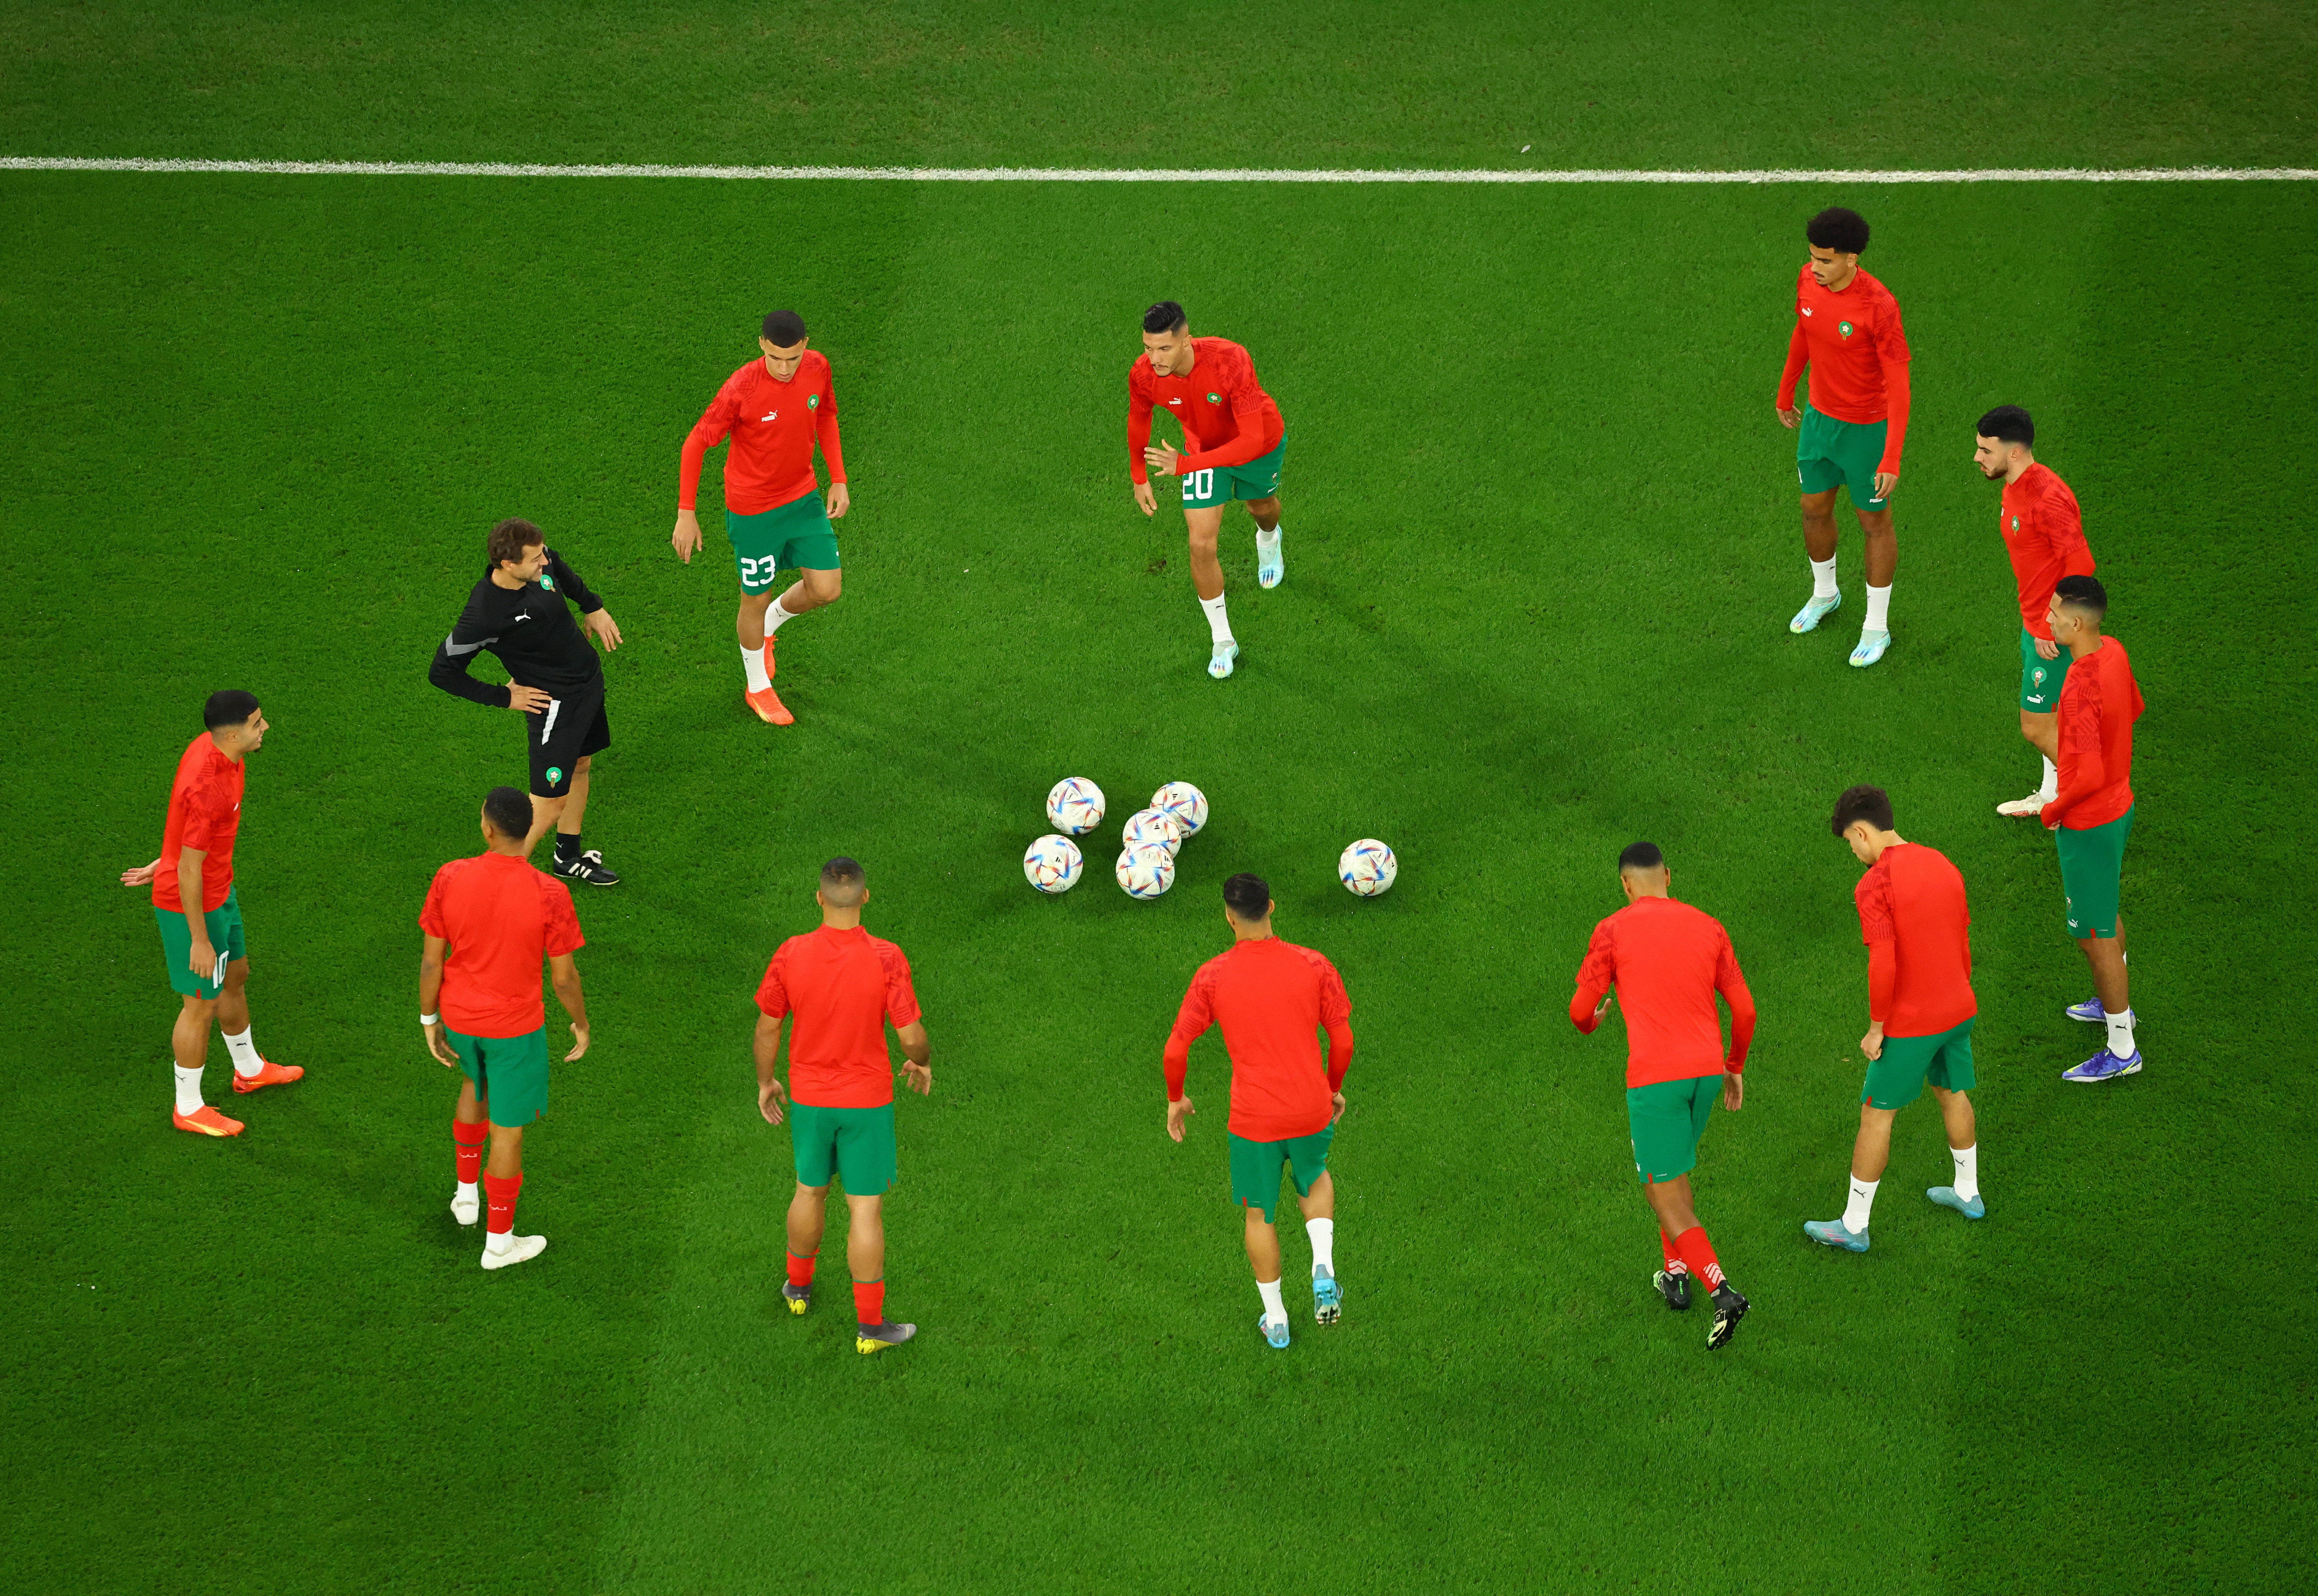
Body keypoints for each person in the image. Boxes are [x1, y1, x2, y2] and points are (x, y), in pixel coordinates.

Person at [1569, 842, 1755, 1350]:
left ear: (1626, 885)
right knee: (1673, 1176)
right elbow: (1745, 1011)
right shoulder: (1709, 926)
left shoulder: (1612, 929)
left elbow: (1580, 1010)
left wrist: (1593, 1022)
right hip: (1706, 1075)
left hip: (1656, 1082)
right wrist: (1733, 1068)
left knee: (1664, 1194)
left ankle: (1721, 1291)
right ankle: (1675, 1274)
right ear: (1668, 876)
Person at [1163, 873, 1352, 1350]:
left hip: (1254, 1121)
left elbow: (1176, 1048)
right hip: (1310, 1107)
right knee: (1314, 1178)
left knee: (1259, 1215)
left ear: (1228, 917)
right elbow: (1343, 1039)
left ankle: (1277, 1320)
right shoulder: (1313, 964)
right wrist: (1332, 1090)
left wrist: (1177, 1098)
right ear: (1272, 907)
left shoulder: (1213, 976)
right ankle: (1323, 1263)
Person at [754, 857, 932, 1355]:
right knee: (865, 1210)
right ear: (865, 898)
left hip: (811, 1099)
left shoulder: (791, 954)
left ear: (820, 898)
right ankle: (871, 1328)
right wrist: (921, 1062)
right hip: (866, 1103)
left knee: (809, 1191)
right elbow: (911, 1036)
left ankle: (798, 1288)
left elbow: (768, 1026)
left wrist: (767, 1081)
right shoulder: (886, 957)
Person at [1806, 786, 1985, 1253]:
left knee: (1876, 1114)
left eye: (1850, 842)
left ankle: (1854, 1224)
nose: (1853, 851)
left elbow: (1883, 962)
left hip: (1913, 1021)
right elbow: (1962, 939)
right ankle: (1968, 1192)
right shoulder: (1943, 863)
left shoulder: (1875, 884)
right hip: (1959, 1007)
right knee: (1951, 1091)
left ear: (1862, 832)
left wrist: (1877, 1026)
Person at [419, 786, 591, 1270]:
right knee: (508, 1133)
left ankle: (466, 1197)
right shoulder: (550, 893)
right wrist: (580, 1024)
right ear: (528, 829)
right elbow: (564, 976)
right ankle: (499, 1243)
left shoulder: (450, 876)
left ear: (488, 828)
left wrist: (429, 1019)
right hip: (514, 1030)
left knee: (476, 1084)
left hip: (459, 1017)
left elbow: (433, 963)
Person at [121, 690, 303, 1136]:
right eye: (258, 724)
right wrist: (199, 939)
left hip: (219, 888)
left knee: (236, 975)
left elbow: (185, 839)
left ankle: (249, 1068)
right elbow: (189, 868)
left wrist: (163, 859)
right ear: (235, 731)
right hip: (192, 905)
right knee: (199, 1006)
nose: (265, 729)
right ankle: (187, 1106)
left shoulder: (217, 751)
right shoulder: (209, 784)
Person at [672, 310, 849, 726]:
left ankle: (772, 625)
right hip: (753, 512)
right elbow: (696, 444)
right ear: (762, 346)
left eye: (792, 358)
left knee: (826, 588)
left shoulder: (819, 367)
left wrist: (838, 478)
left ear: (805, 345)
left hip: (802, 498)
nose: (785, 369)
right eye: (775, 358)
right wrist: (686, 512)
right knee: (755, 596)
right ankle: (757, 687)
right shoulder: (741, 389)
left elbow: (825, 415)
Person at [429, 518, 625, 885]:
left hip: (588, 686)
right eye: (535, 559)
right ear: (507, 564)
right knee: (548, 805)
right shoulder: (484, 615)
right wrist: (504, 697)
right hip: (555, 708)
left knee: (582, 764)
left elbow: (558, 565)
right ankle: (497, 888)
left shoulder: (536, 563)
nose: (544, 562)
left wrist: (592, 606)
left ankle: (566, 857)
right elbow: (443, 672)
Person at [1776, 207, 1913, 668]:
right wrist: (1786, 388)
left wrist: (1891, 456)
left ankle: (1877, 626)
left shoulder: (1879, 305)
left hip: (1866, 432)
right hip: (1819, 423)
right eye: (1812, 258)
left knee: (1874, 524)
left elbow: (1899, 383)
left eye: (1826, 261)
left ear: (1852, 258)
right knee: (1813, 509)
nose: (1816, 269)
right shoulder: (1807, 281)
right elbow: (1805, 331)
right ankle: (1826, 594)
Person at [1128, 302, 1288, 681]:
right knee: (1200, 545)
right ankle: (1223, 640)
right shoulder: (1144, 374)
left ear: (1187, 340)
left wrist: (1184, 466)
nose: (1154, 358)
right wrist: (1139, 476)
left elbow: (1250, 441)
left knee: (1261, 507)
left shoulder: (1230, 360)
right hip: (1202, 452)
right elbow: (1139, 416)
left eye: (1164, 349)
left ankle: (1269, 540)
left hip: (1259, 447)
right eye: (1148, 348)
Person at [2041, 575, 2146, 1082]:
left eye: (2057, 614)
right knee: (2106, 914)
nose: (2050, 620)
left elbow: (2089, 776)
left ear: (2077, 623)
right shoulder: (2116, 651)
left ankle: (2122, 1046)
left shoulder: (2080, 682)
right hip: (2119, 808)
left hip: (2090, 822)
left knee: (2094, 936)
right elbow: (2136, 707)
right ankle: (2113, 996)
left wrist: (2052, 810)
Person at [1974, 406, 2098, 817]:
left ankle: (2092, 799)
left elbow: (2083, 565)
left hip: (2054, 632)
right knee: (2056, 717)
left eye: (1985, 450)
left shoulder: (2048, 498)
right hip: (2036, 624)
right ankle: (2052, 796)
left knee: (2035, 724)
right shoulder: (2014, 485)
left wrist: (2051, 623)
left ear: (2013, 453)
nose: (1978, 458)